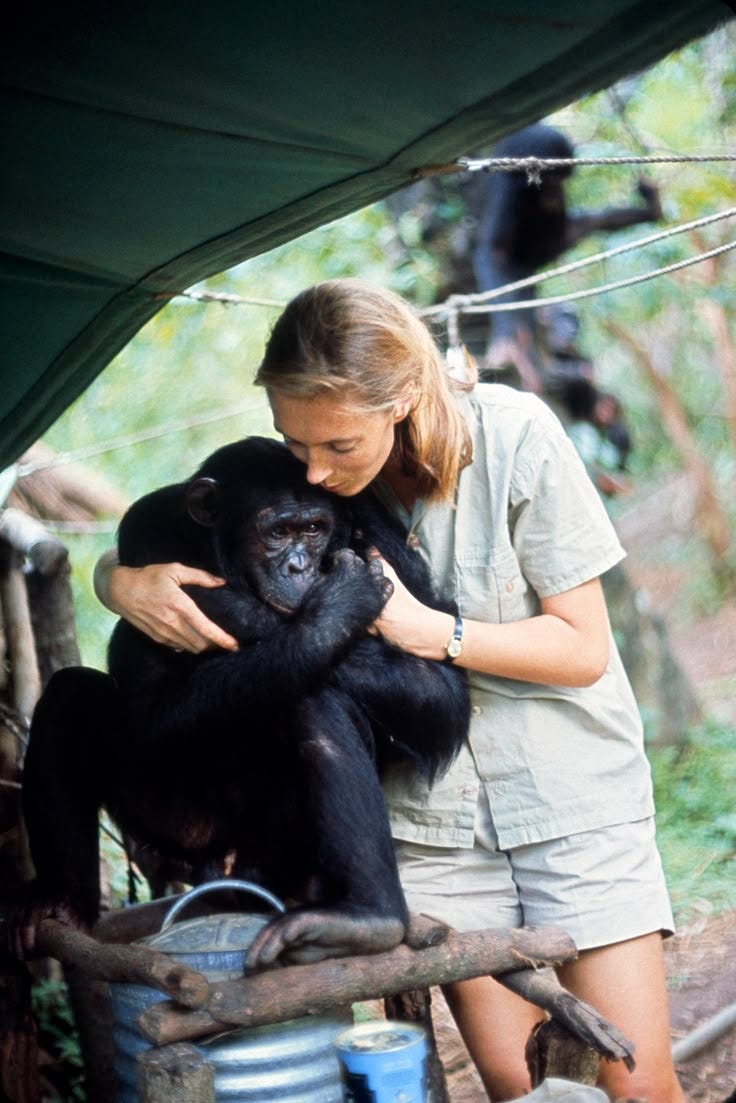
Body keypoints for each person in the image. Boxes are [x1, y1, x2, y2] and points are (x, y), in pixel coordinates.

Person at [95, 278, 684, 1103]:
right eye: (294, 443)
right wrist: (114, 581)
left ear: (403, 398)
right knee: (527, 1089)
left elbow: (584, 648)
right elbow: (174, 522)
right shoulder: (324, 482)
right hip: (432, 823)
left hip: (569, 797)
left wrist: (430, 632)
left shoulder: (514, 438)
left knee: (639, 1084)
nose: (313, 469)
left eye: (335, 444)